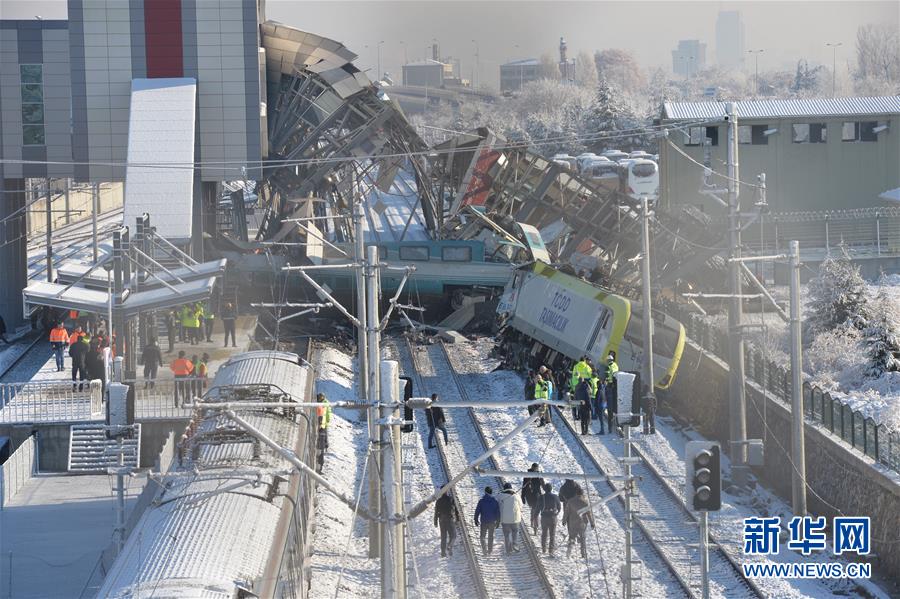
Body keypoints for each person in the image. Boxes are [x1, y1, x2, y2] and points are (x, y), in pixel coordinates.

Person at [565, 489, 595, 559]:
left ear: (576, 493)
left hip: (573, 523)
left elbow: (567, 512)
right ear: (582, 494)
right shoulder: (585, 502)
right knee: (582, 538)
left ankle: (568, 553)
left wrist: (564, 520)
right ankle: (583, 554)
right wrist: (592, 523)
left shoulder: (570, 501)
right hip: (582, 523)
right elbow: (589, 514)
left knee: (571, 537)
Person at [474, 486, 501, 555]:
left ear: (485, 492)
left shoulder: (481, 501)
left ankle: (484, 550)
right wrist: (498, 521)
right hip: (492, 522)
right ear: (491, 493)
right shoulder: (495, 501)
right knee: (490, 536)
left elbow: (477, 511)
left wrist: (476, 519)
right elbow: (498, 512)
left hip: (484, 521)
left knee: (482, 536)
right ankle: (490, 550)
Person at [498, 482, 523, 554]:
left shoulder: (500, 495)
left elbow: (496, 504)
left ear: (504, 488)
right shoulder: (516, 495)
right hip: (515, 519)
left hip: (504, 519)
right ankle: (514, 543)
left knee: (506, 535)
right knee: (515, 532)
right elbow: (521, 505)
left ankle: (508, 550)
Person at [539, 482, 561, 556]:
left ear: (544, 489)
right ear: (551, 489)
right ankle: (551, 550)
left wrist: (534, 516)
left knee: (544, 533)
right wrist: (556, 514)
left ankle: (543, 548)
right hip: (552, 517)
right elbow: (559, 507)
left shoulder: (541, 497)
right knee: (552, 534)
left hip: (544, 517)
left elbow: (537, 508)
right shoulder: (555, 497)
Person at [521, 463, 544, 535]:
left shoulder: (528, 475)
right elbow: (543, 486)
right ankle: (535, 527)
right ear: (536, 468)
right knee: (536, 511)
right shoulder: (538, 475)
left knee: (534, 509)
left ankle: (532, 521)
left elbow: (524, 486)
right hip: (536, 496)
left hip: (529, 496)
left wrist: (523, 496)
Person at [434, 489, 458, 557]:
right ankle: (450, 546)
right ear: (447, 492)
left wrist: (435, 521)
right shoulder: (451, 499)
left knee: (443, 537)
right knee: (453, 535)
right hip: (449, 519)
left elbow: (436, 512)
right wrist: (457, 519)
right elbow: (455, 509)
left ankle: (443, 553)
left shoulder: (438, 501)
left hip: (441, 520)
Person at [316, 393, 332, 473]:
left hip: (320, 426)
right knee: (323, 442)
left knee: (320, 445)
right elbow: (328, 416)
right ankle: (326, 444)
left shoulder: (318, 404)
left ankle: (319, 465)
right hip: (323, 426)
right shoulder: (326, 403)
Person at [605, 352, 619, 434]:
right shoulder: (615, 365)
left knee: (610, 412)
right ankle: (617, 426)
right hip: (614, 384)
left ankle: (610, 428)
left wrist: (608, 381)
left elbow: (610, 375)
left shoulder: (610, 367)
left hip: (611, 384)